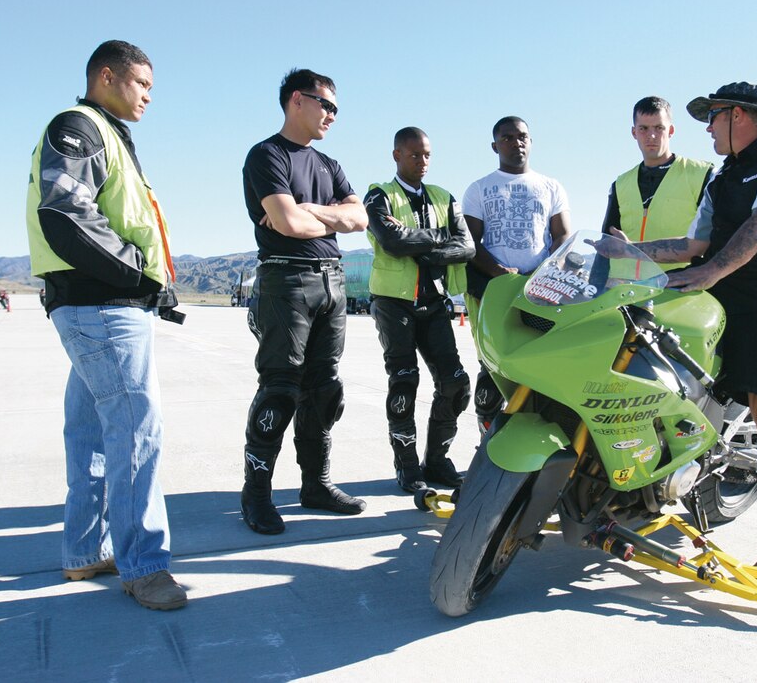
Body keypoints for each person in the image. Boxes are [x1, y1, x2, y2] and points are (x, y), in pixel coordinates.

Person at [611, 82, 757, 579]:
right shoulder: (722, 175)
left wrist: (711, 271)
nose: (707, 128)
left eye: (713, 117)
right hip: (716, 289)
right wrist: (629, 252)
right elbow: (693, 241)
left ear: (740, 116)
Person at [24, 40, 187, 610]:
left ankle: (84, 550)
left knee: (92, 432)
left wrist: (151, 286)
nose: (147, 97)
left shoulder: (107, 134)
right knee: (136, 432)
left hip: (99, 304)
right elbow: (65, 212)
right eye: (141, 84)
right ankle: (144, 565)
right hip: (103, 308)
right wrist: (138, 275)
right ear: (108, 76)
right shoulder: (81, 126)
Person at [239, 68, 369, 535]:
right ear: (298, 100)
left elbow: (361, 218)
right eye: (326, 104)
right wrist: (327, 217)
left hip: (332, 283)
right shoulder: (266, 156)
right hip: (285, 281)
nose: (332, 115)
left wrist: (310, 210)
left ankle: (315, 485)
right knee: (280, 387)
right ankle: (256, 494)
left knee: (324, 387)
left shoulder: (329, 165)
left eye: (336, 108)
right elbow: (288, 227)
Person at [364, 127, 475, 493]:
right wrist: (439, 236)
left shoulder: (444, 196)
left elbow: (467, 247)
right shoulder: (379, 195)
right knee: (404, 381)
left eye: (427, 154)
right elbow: (392, 241)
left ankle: (437, 461)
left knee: (456, 383)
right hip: (393, 303)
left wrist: (421, 244)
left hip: (435, 301)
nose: (422, 161)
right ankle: (407, 467)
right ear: (396, 155)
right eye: (414, 155)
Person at [462, 116, 571, 430]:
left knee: (539, 363)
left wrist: (544, 270)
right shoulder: (479, 188)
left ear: (531, 142)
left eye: (522, 136)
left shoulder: (551, 187)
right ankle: (488, 435)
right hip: (494, 290)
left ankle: (537, 434)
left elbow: (562, 235)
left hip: (539, 290)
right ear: (495, 145)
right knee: (493, 365)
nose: (516, 142)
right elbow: (470, 241)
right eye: (507, 137)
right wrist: (498, 272)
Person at [604, 97, 712, 273]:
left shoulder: (702, 174)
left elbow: (713, 240)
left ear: (671, 130)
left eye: (659, 128)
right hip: (623, 292)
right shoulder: (620, 184)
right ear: (634, 132)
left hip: (677, 291)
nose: (651, 136)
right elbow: (607, 243)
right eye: (643, 129)